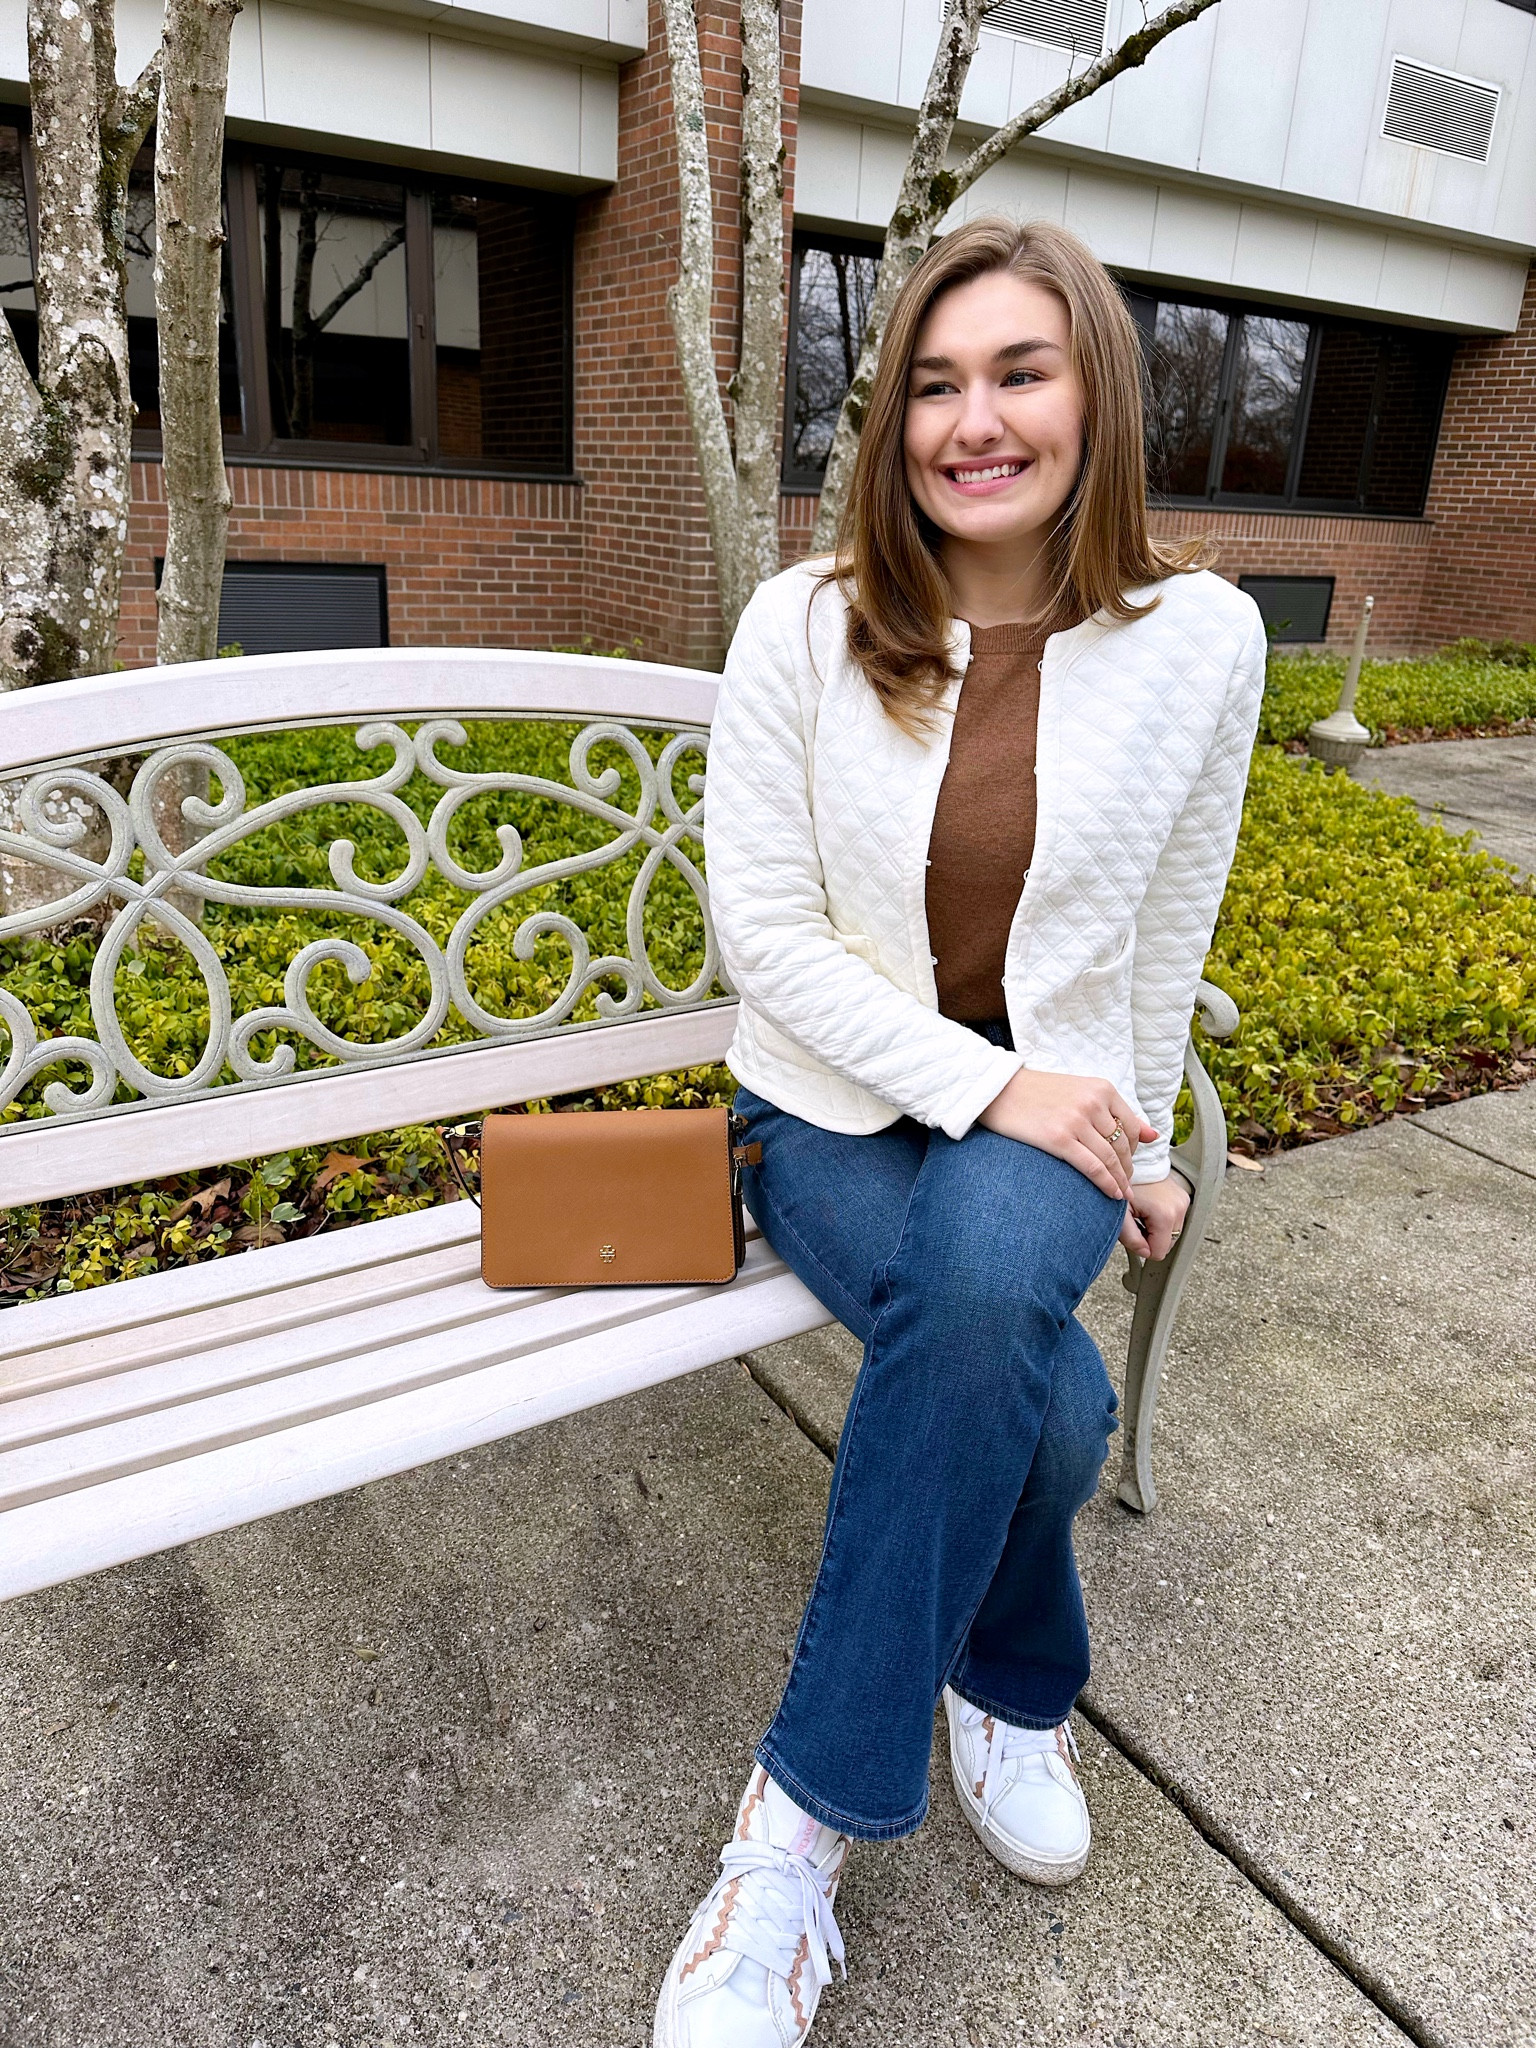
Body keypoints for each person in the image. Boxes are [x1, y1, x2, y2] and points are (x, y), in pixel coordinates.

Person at [652, 216, 1266, 2048]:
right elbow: (758, 930)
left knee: (1001, 1274)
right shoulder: (806, 621)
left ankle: (788, 1839)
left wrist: (1133, 1141)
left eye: (1019, 372)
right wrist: (998, 1089)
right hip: (831, 1104)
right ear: (893, 419)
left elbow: (1169, 923)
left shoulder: (1205, 638)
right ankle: (1007, 1682)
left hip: (1058, 1100)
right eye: (934, 383)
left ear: (1097, 393)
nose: (971, 420)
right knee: (1050, 1400)